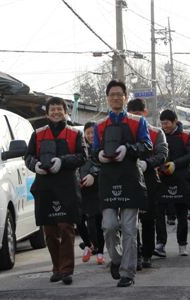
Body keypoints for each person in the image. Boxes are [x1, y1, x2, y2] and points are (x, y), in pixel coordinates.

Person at [93, 80, 152, 287]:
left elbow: (147, 145)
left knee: (129, 228)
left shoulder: (138, 122)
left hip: (130, 178)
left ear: (125, 97)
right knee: (109, 226)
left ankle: (128, 273)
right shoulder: (99, 125)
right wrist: (99, 154)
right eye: (112, 94)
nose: (116, 97)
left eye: (120, 94)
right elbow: (93, 151)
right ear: (107, 98)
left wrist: (129, 149)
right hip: (108, 179)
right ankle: (117, 260)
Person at [25, 97, 86, 285]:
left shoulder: (75, 134)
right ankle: (56, 267)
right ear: (47, 113)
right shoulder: (38, 134)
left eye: (59, 109)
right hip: (45, 188)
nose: (56, 112)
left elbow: (82, 156)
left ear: (65, 112)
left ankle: (67, 270)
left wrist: (63, 161)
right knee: (50, 231)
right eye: (52, 110)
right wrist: (35, 165)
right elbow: (28, 156)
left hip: (67, 186)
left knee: (66, 228)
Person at [127, 98, 168, 269]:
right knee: (129, 220)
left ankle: (147, 255)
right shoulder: (123, 132)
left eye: (139, 114)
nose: (136, 118)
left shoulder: (156, 132)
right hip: (128, 179)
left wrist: (147, 163)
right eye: (132, 115)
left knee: (148, 218)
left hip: (150, 178)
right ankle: (134, 254)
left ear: (145, 113)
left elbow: (162, 153)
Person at [154, 109, 190, 257]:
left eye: (167, 123)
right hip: (162, 179)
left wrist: (175, 164)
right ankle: (160, 244)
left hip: (181, 179)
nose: (164, 126)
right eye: (162, 123)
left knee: (182, 214)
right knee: (159, 213)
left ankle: (182, 245)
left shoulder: (187, 136)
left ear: (175, 121)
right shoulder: (159, 136)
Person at [79, 121, 105, 265]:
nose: (90, 135)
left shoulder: (102, 147)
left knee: (97, 222)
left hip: (97, 190)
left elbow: (105, 166)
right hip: (82, 189)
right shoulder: (81, 148)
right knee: (79, 219)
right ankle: (88, 245)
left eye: (92, 132)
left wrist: (93, 176)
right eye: (87, 133)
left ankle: (100, 252)